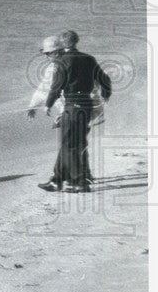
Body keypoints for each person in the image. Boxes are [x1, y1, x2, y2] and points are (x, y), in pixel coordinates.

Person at [38, 30, 112, 193]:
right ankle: (57, 180)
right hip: (87, 106)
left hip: (72, 106)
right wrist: (106, 94)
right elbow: (104, 79)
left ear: (62, 45)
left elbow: (57, 86)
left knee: (70, 145)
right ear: (75, 42)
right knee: (70, 143)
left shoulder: (61, 62)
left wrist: (48, 104)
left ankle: (80, 182)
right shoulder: (89, 59)